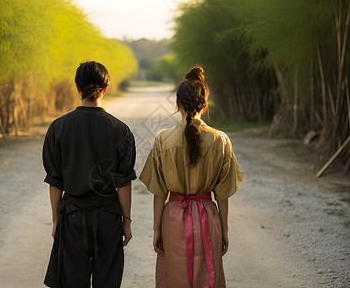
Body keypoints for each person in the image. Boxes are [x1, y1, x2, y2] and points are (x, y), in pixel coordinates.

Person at [140, 66, 243, 288]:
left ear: (178, 104)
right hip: (208, 214)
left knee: (175, 277)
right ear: (204, 105)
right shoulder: (221, 140)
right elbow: (223, 195)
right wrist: (224, 229)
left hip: (174, 218)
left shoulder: (162, 140)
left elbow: (159, 193)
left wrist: (157, 229)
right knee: (208, 276)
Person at [42, 61, 136, 288]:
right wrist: (126, 222)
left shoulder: (58, 127)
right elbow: (123, 183)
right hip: (108, 218)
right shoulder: (120, 129)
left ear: (77, 88)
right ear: (105, 89)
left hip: (72, 218)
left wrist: (56, 220)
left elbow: (55, 183)